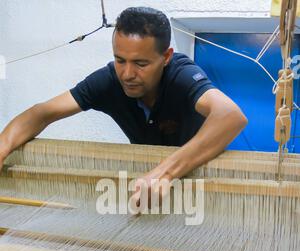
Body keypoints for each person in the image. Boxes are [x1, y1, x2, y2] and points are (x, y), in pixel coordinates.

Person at [0, 7, 247, 206]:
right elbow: (41, 113)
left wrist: (165, 173)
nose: (127, 74)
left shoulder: (180, 75)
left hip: (198, 188)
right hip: (148, 188)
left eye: (141, 63)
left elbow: (230, 117)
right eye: (120, 60)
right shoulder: (110, 80)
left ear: (166, 57)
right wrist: (3, 146)